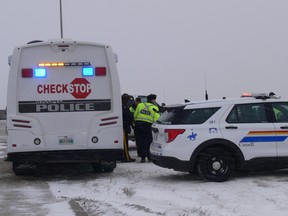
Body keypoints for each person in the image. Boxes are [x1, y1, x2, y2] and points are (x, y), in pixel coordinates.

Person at [134, 94, 160, 162]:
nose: (155, 101)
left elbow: (135, 115)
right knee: (148, 142)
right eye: (154, 99)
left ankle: (142, 157)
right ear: (152, 100)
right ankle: (149, 157)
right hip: (148, 126)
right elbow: (156, 118)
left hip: (138, 125)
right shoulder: (154, 107)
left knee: (141, 142)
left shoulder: (140, 105)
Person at [121, 93, 136, 162]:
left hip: (125, 126)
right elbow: (127, 115)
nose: (129, 101)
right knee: (125, 143)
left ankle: (126, 156)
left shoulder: (124, 106)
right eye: (128, 99)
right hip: (124, 126)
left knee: (125, 142)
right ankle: (126, 157)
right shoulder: (123, 106)